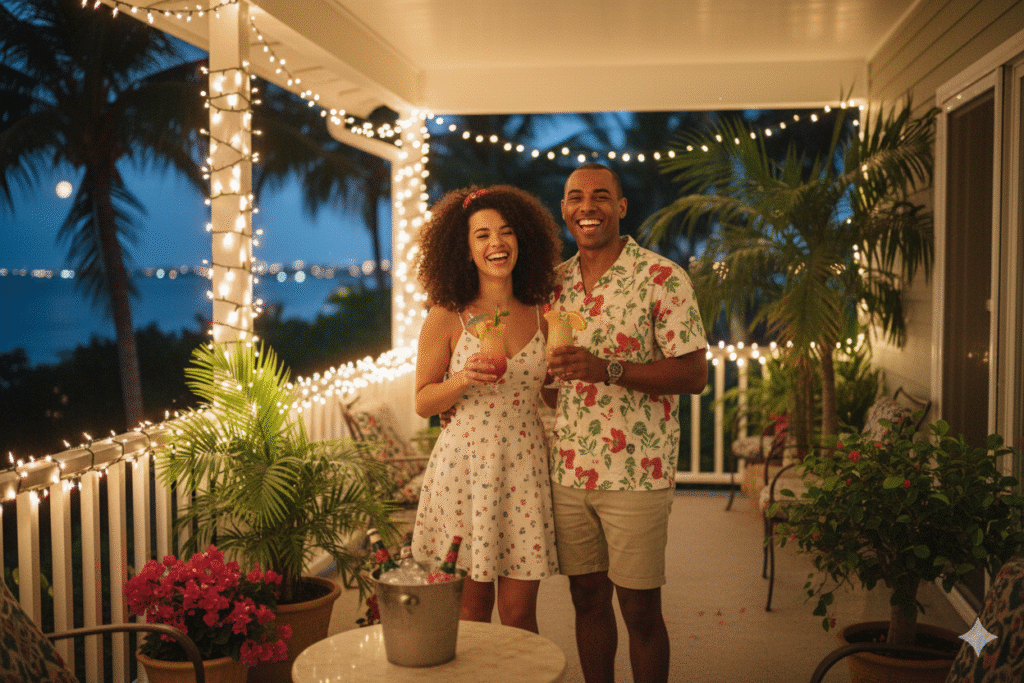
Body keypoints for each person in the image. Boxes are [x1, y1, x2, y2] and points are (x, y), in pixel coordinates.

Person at [544, 163, 708, 683]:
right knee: (586, 601)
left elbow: (695, 373)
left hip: (636, 471)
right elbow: (549, 383)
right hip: (569, 470)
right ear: (564, 208)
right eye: (574, 197)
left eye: (599, 196)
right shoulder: (555, 284)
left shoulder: (663, 277)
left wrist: (607, 369)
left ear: (621, 207)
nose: (585, 207)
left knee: (640, 611)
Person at [412, 184, 563, 633]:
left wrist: (564, 375)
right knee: (472, 614)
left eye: (506, 232)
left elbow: (550, 395)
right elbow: (422, 402)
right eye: (482, 235)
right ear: (465, 247)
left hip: (524, 465)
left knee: (519, 615)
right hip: (465, 468)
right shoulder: (447, 315)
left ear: (522, 241)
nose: (496, 243)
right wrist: (461, 379)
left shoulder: (543, 313)